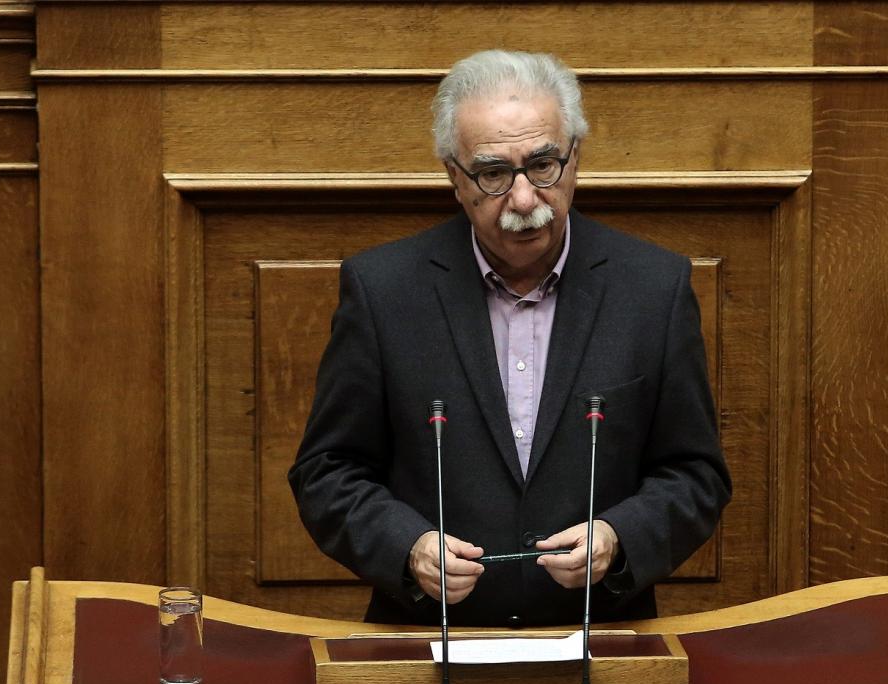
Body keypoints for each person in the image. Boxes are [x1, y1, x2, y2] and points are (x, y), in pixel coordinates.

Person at [289, 49, 731, 627]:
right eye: (494, 174)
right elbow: (327, 472)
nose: (524, 200)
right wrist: (407, 547)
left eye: (543, 165)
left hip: (599, 641)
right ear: (455, 177)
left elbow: (696, 474)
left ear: (576, 158)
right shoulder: (383, 291)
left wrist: (619, 537)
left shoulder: (653, 287)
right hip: (430, 644)